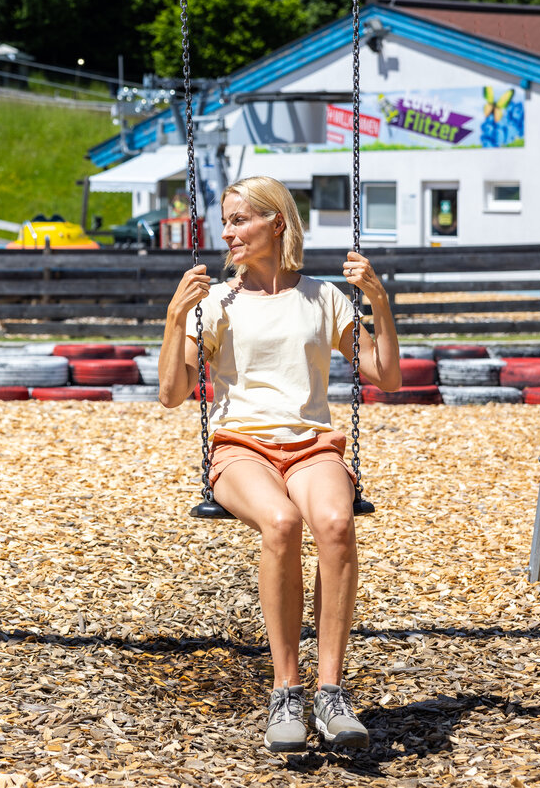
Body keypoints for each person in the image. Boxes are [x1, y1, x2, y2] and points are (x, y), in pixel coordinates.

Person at [158, 176, 401, 753]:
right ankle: (285, 690)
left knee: (337, 525)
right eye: (226, 219)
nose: (227, 231)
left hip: (312, 444)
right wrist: (174, 318)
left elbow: (386, 376)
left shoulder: (325, 297)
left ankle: (331, 691)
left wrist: (380, 302)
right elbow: (172, 392)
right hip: (241, 447)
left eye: (240, 219)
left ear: (277, 223)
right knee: (283, 524)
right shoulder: (217, 302)